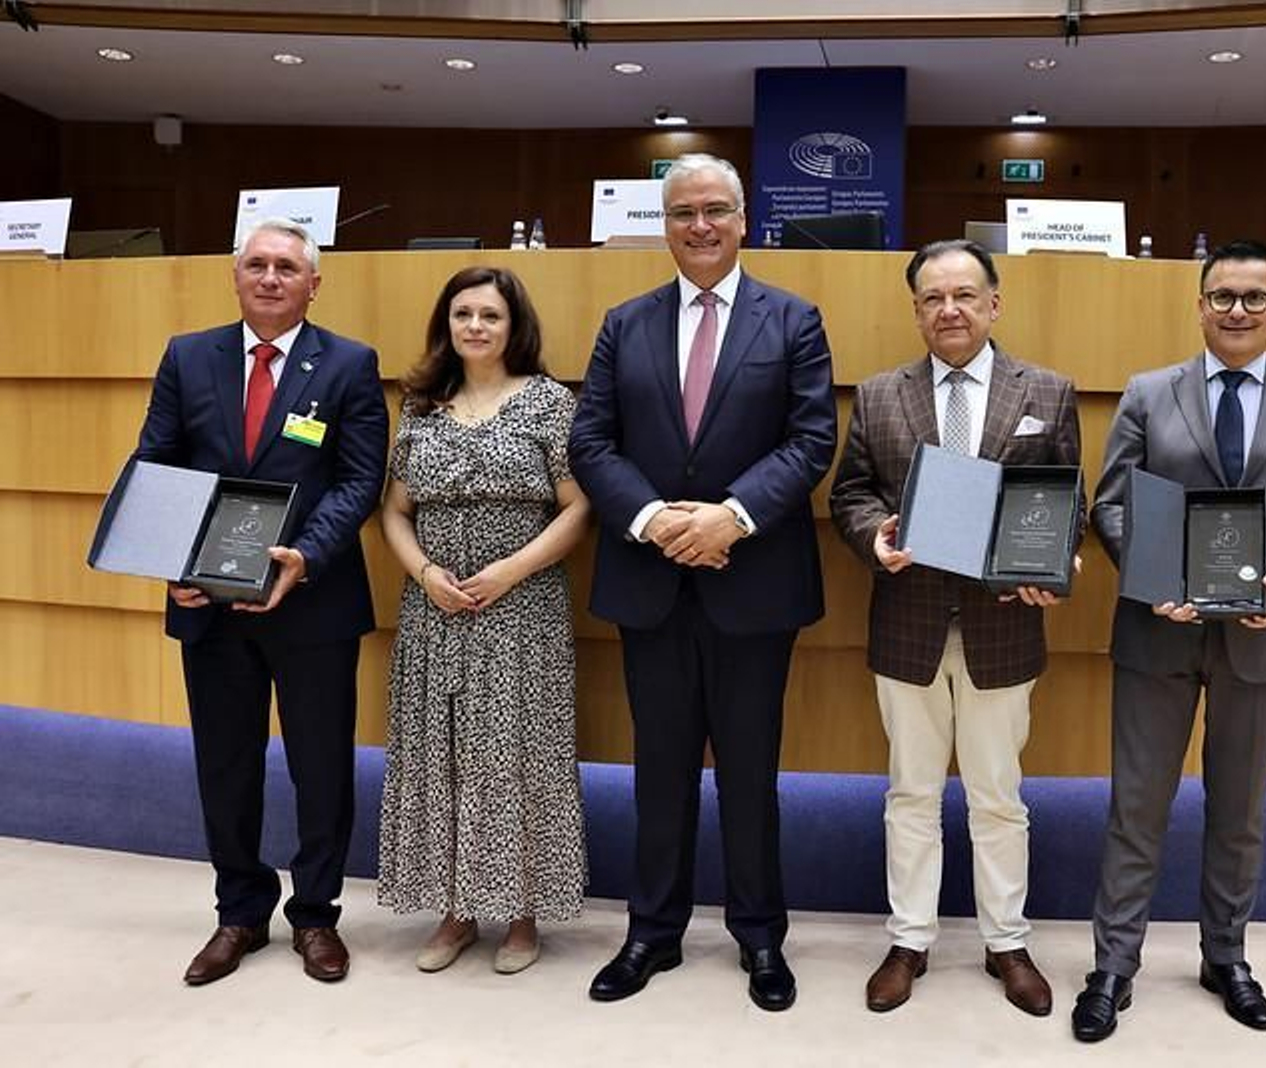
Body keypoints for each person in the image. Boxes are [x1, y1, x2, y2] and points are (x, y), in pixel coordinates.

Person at [1071, 238, 1266, 1041]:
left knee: (1239, 811)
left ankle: (1225, 956)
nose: (1238, 311)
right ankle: (1113, 966)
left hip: (1263, 638)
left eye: (1254, 298)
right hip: (1157, 632)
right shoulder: (1148, 393)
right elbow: (1111, 506)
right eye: (1223, 296)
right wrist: (1153, 572)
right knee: (1136, 807)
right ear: (1200, 305)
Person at [568, 153, 836, 1012]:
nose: (700, 226)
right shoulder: (624, 323)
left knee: (751, 772)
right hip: (652, 581)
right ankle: (653, 932)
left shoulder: (794, 320)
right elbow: (592, 443)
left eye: (716, 209)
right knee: (662, 768)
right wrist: (657, 524)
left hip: (753, 581)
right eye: (683, 212)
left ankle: (760, 937)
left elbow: (810, 441)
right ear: (665, 224)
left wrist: (729, 518)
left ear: (744, 217)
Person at [830, 239, 1083, 1017]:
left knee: (998, 796)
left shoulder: (1047, 389)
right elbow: (850, 495)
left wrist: (1054, 564)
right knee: (910, 792)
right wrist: (874, 535)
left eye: (966, 295)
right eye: (934, 298)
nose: (950, 310)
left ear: (994, 303)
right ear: (915, 310)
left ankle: (1007, 941)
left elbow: (1066, 504)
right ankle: (910, 939)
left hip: (1003, 629)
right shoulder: (878, 396)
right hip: (907, 625)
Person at [133, 217, 389, 985]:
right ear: (235, 276)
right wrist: (171, 558)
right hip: (207, 602)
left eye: (286, 267)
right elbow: (157, 462)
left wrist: (303, 556)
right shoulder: (189, 356)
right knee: (226, 764)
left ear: (314, 283)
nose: (270, 278)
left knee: (320, 766)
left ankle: (315, 915)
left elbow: (358, 481)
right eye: (256, 265)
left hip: (311, 602)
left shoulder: (348, 364)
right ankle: (239, 912)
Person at [377, 266, 591, 975]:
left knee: (517, 757)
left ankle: (523, 912)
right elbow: (395, 510)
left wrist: (508, 571)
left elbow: (578, 507)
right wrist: (424, 574)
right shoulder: (422, 406)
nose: (475, 326)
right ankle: (456, 910)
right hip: (436, 610)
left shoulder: (548, 403)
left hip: (521, 607)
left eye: (489, 316)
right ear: (446, 324)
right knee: (443, 754)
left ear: (513, 326)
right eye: (462, 313)